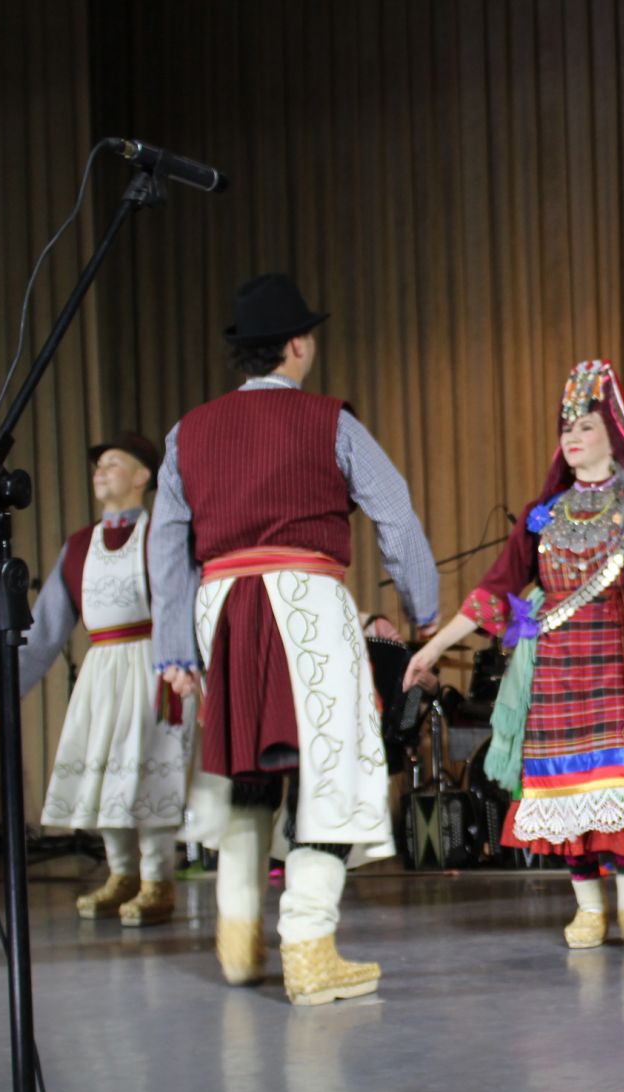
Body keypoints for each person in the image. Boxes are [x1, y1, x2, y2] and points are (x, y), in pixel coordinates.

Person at [149, 273, 441, 1005]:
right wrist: (423, 611)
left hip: (222, 605)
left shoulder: (189, 432)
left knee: (247, 767)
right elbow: (396, 517)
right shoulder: (331, 422)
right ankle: (309, 949)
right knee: (326, 770)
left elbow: (166, 546)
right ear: (297, 347)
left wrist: (175, 652)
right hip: (306, 597)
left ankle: (239, 939)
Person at [405, 360, 624, 950]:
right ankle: (589, 910)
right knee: (564, 791)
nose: (572, 434)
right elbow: (494, 592)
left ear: (614, 434)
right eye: (566, 424)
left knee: (622, 787)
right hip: (558, 672)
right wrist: (432, 649)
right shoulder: (544, 516)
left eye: (586, 424)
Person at [15, 433, 192, 925]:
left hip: (153, 663)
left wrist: (186, 666)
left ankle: (158, 880)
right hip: (102, 668)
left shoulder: (163, 536)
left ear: (142, 477)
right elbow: (46, 626)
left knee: (149, 767)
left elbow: (185, 603)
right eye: (96, 466)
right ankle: (122, 875)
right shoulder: (78, 546)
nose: (100, 471)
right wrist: (12, 691)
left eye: (113, 463)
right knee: (108, 770)